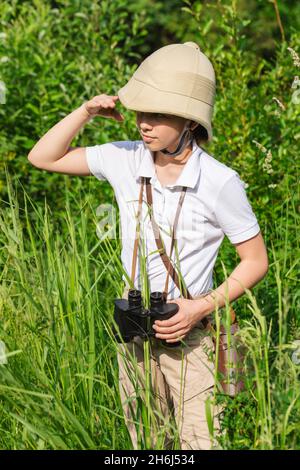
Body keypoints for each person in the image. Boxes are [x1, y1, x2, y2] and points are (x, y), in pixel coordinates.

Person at [28, 41, 269, 450]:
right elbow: (43, 158)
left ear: (191, 121)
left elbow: (255, 260)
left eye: (158, 114)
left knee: (200, 442)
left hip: (191, 333)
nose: (144, 122)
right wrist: (85, 112)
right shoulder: (125, 158)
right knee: (145, 441)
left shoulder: (219, 181)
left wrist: (199, 308)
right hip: (135, 327)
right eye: (141, 110)